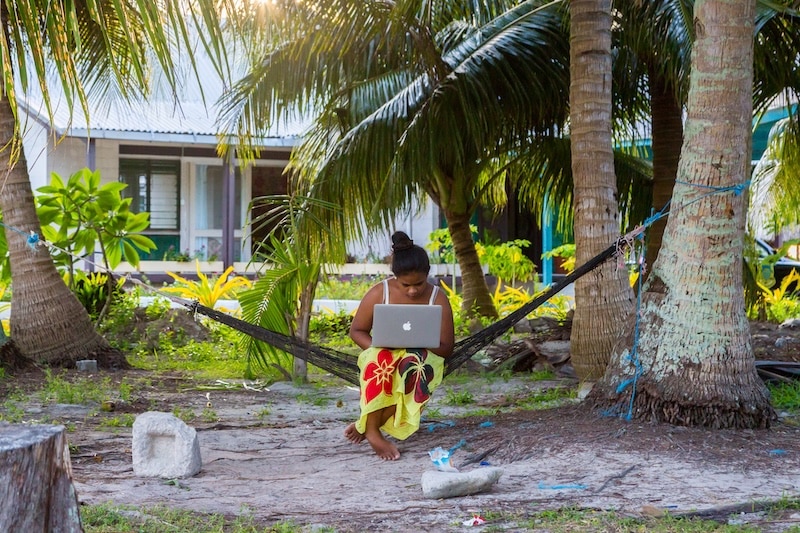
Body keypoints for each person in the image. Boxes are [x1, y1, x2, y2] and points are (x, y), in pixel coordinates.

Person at [344, 231, 455, 460]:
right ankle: (373, 432)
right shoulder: (379, 293)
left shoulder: (438, 298)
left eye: (419, 284)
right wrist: (379, 347)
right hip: (382, 352)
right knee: (382, 362)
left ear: (428, 275)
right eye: (406, 285)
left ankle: (367, 425)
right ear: (395, 277)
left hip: (425, 355)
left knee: (412, 366)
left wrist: (417, 344)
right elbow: (356, 331)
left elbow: (447, 348)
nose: (413, 291)